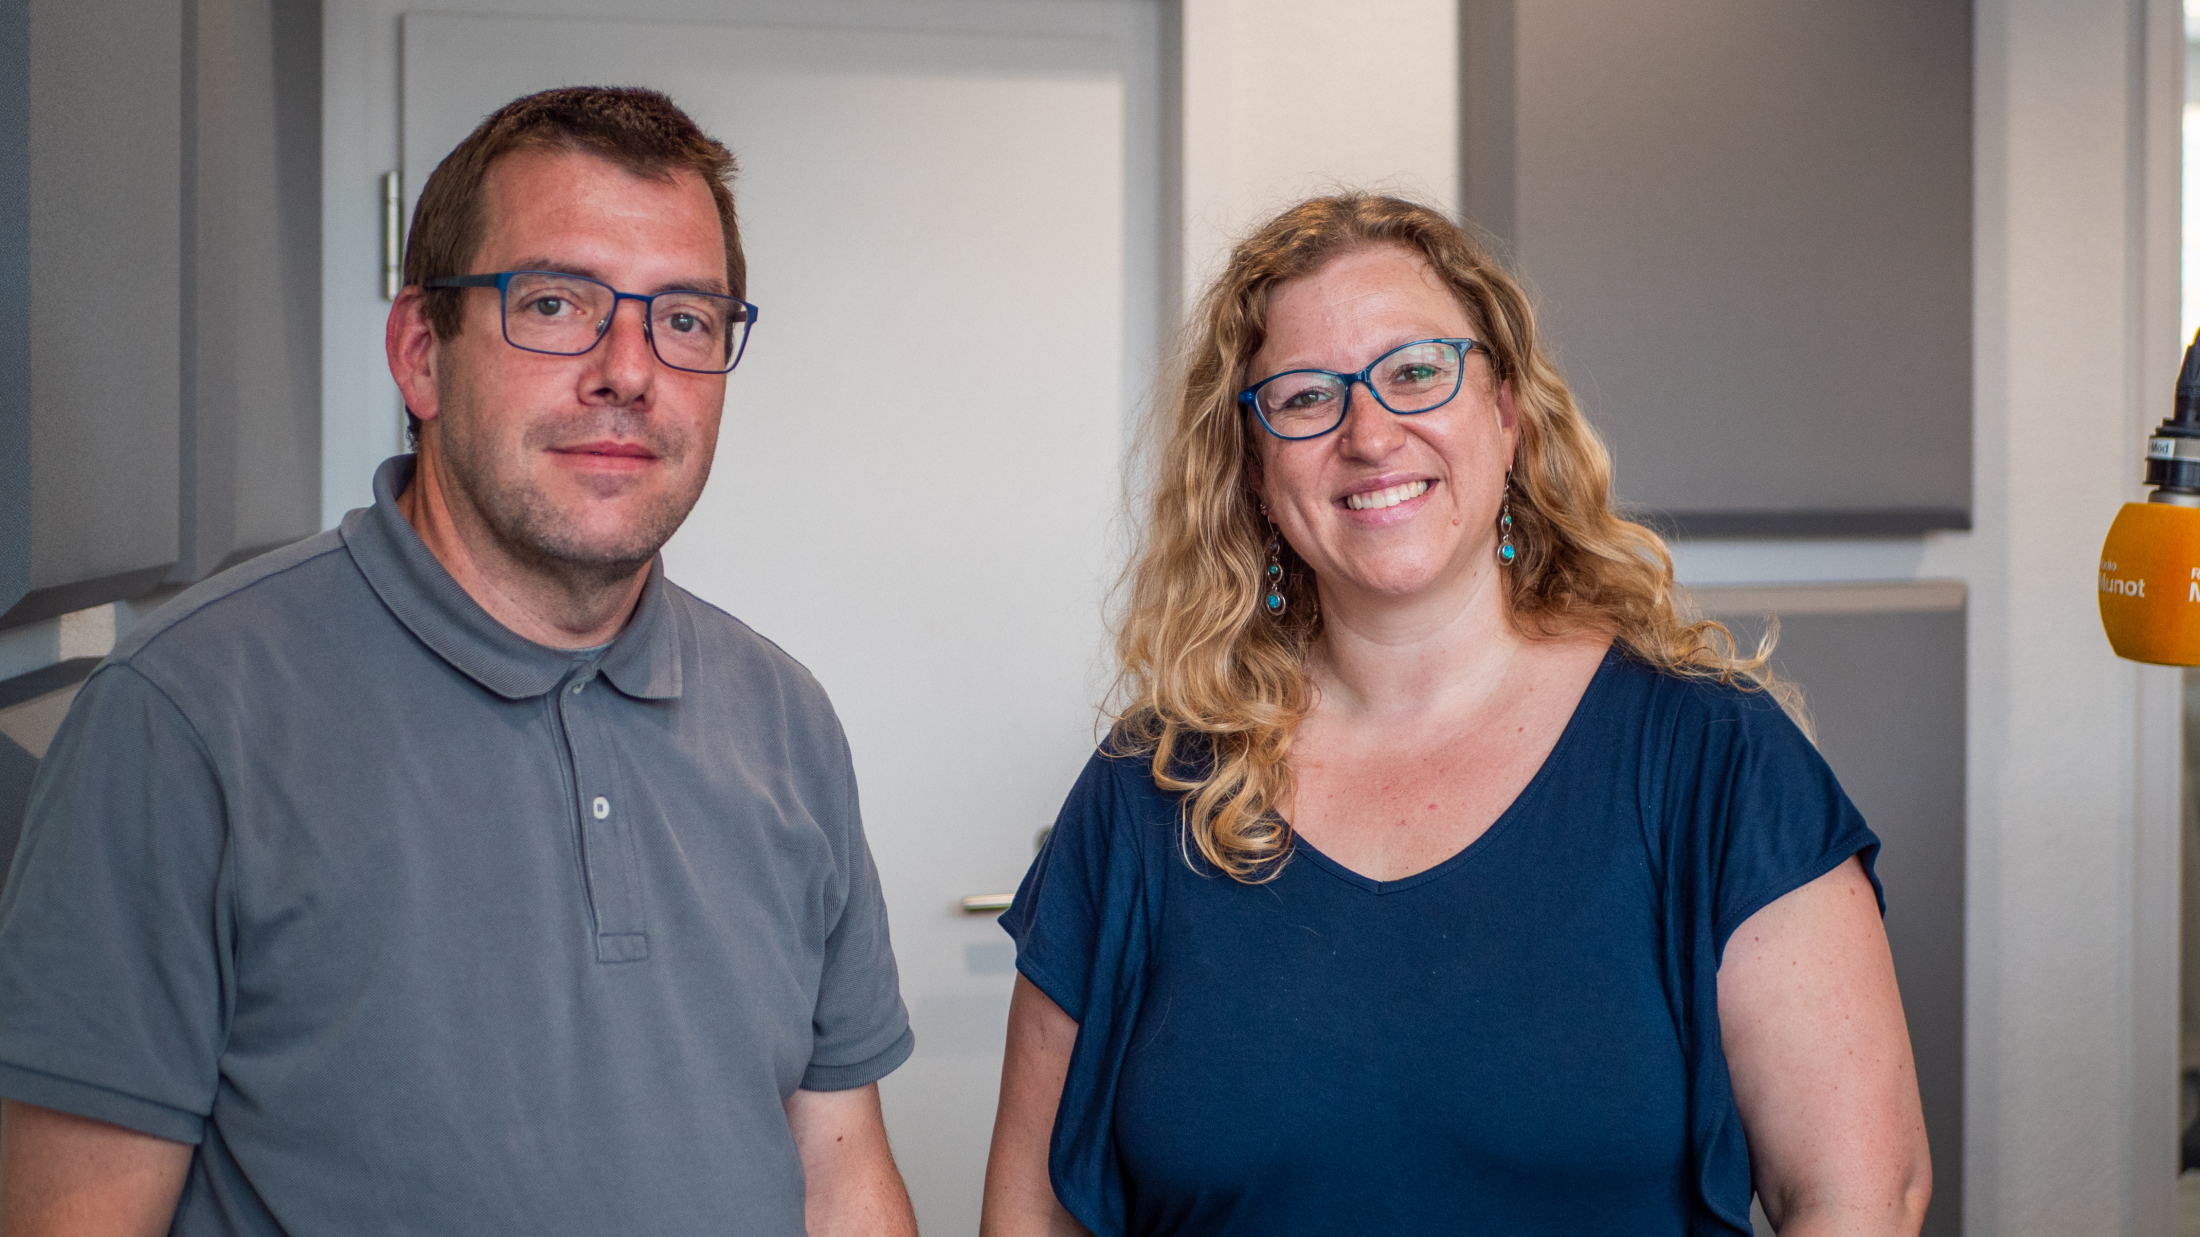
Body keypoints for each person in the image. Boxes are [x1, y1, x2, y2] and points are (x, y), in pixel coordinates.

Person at [0, 87, 916, 1236]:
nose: (628, 370)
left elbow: (841, 1183)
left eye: (685, 319)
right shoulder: (182, 717)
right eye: (555, 303)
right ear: (421, 355)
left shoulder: (787, 721)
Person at [980, 195, 1931, 1236]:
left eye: (1416, 372)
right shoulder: (1144, 791)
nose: (1370, 434)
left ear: (1507, 413)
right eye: (1305, 397)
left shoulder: (1716, 762)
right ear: (1253, 472)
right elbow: (1030, 1220)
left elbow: (1858, 1196)